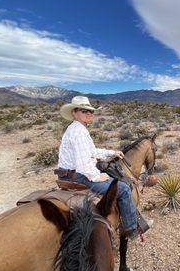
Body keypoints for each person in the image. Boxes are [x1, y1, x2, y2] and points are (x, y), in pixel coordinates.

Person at [57, 95, 140, 236]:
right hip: (78, 177)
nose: (89, 113)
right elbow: (84, 166)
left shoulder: (76, 128)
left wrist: (112, 153)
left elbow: (91, 151)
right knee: (124, 189)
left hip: (68, 173)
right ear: (74, 113)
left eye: (90, 111)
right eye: (84, 111)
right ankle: (132, 228)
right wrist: (97, 176)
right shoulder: (79, 132)